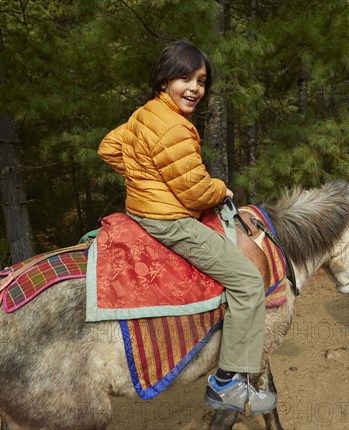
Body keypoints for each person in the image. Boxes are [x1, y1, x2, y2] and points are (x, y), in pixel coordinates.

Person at [98, 40, 276, 414]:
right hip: (170, 221)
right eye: (184, 77)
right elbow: (195, 192)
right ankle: (227, 382)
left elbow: (109, 148)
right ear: (164, 80)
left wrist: (146, 181)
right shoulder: (175, 127)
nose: (194, 88)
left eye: (201, 80)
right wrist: (222, 188)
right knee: (246, 281)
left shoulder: (144, 114)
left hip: (142, 211)